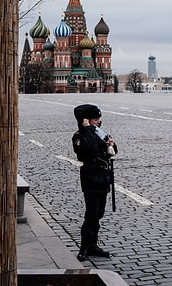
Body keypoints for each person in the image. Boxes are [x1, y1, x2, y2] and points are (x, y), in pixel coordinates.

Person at [72, 104, 117, 261]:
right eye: (95, 119)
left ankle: (93, 245)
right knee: (91, 215)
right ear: (86, 120)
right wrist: (89, 130)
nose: (98, 122)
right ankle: (84, 247)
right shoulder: (80, 136)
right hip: (90, 177)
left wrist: (111, 145)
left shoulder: (99, 133)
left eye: (99, 119)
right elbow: (88, 148)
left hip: (103, 177)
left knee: (98, 214)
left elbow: (114, 150)